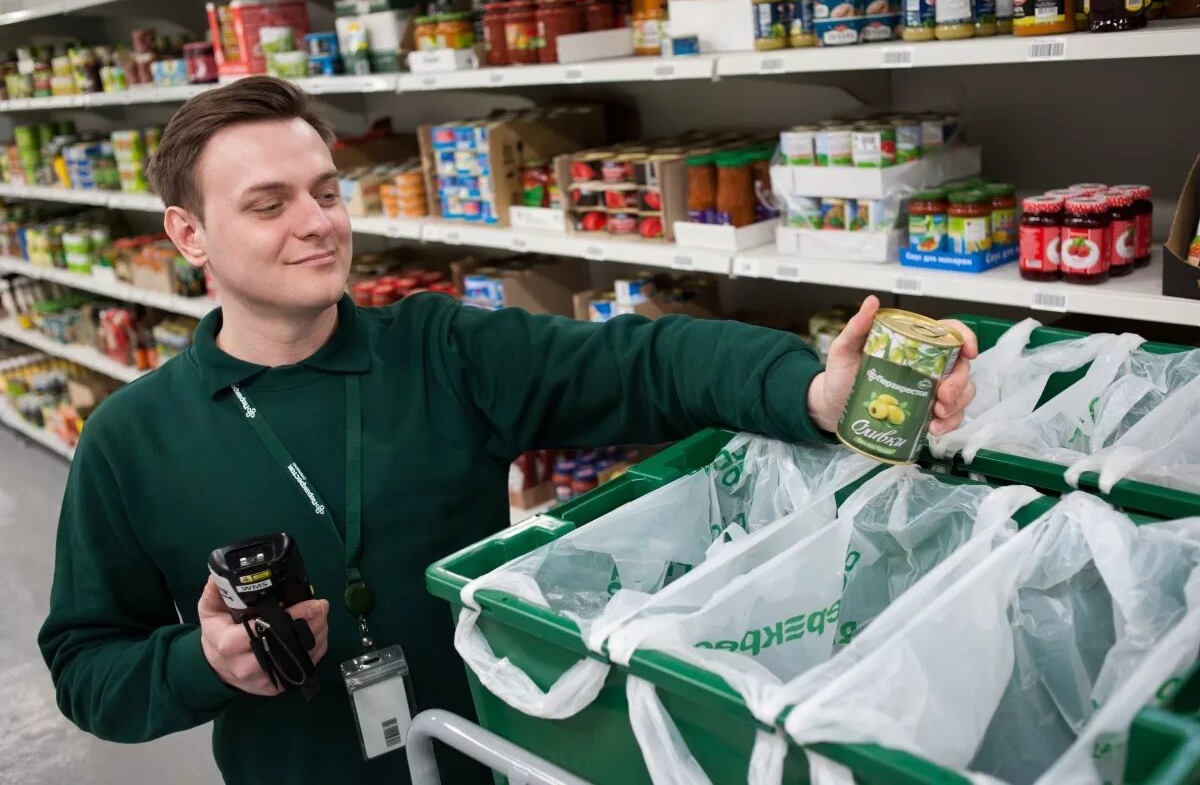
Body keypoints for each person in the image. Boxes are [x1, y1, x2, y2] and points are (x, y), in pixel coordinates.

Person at [38, 76, 977, 785]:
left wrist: (813, 390)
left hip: (495, 753)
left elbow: (646, 363)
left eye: (326, 190)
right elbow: (87, 668)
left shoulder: (443, 350)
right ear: (188, 234)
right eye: (268, 204)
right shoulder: (132, 439)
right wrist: (199, 662)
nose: (317, 223)